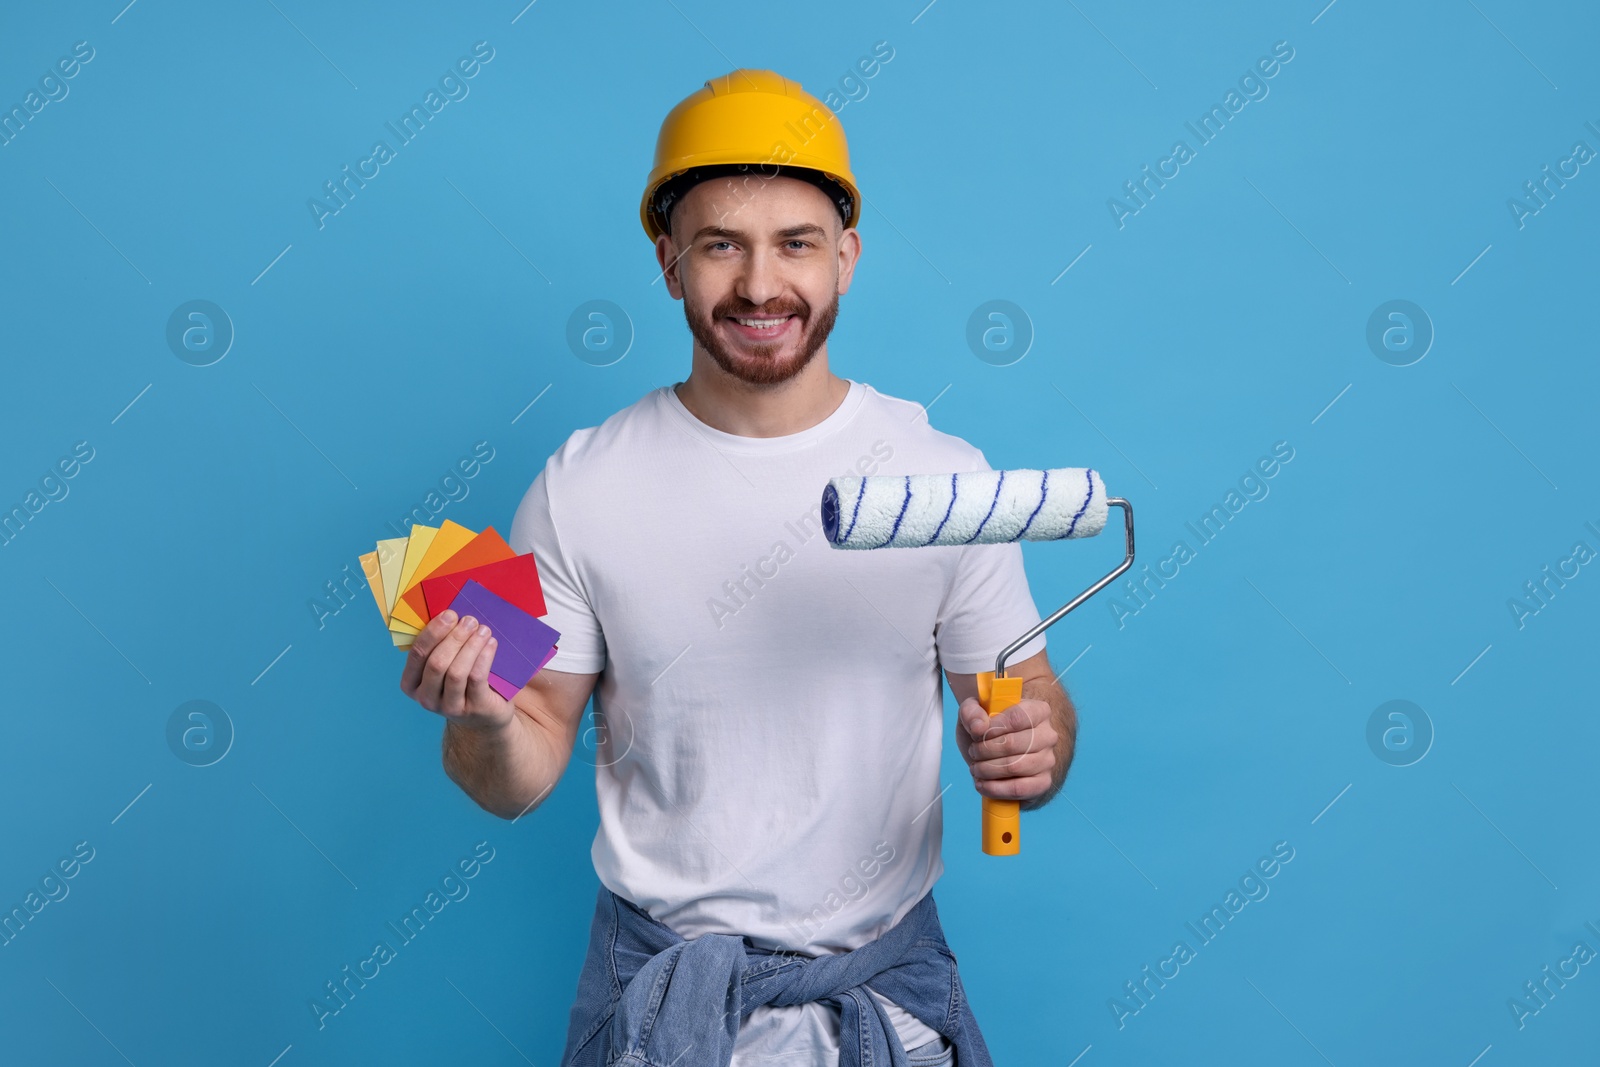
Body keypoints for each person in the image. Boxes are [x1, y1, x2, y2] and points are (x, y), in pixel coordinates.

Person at [399, 69, 1078, 1067]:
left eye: (795, 243)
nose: (761, 285)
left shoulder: (943, 479)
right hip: (661, 1006)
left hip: (884, 1003)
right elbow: (512, 776)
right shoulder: (582, 486)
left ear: (845, 258)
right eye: (722, 244)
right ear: (668, 262)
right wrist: (482, 717)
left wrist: (1037, 748)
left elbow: (1029, 703)